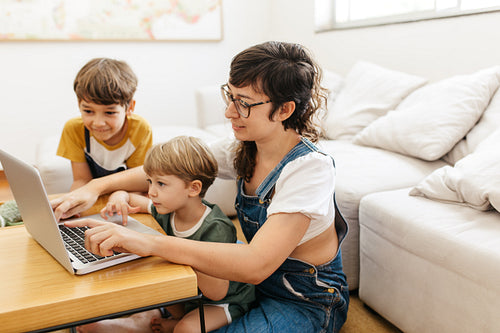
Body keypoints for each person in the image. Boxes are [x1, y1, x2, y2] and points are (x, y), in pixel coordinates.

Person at [55, 41, 350, 332]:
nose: (229, 112)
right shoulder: (245, 147)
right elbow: (171, 168)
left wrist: (149, 244)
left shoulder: (310, 169)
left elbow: (256, 264)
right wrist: (94, 187)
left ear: (285, 110)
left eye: (244, 104)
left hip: (304, 301)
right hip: (250, 286)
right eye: (230, 97)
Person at [76, 136, 255, 333]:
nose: (151, 192)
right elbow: (134, 199)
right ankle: (167, 319)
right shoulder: (169, 208)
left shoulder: (216, 228)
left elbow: (217, 292)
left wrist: (170, 251)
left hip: (225, 301)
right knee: (152, 286)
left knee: (186, 329)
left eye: (161, 184)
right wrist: (120, 196)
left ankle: (174, 323)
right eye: (149, 182)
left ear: (193, 188)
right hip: (190, 293)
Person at [57, 57, 153, 190]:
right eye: (88, 111)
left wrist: (119, 196)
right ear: (79, 105)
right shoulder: (73, 129)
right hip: (93, 195)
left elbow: (139, 183)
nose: (98, 123)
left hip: (126, 194)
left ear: (130, 107)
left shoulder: (140, 129)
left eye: (109, 112)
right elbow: (81, 181)